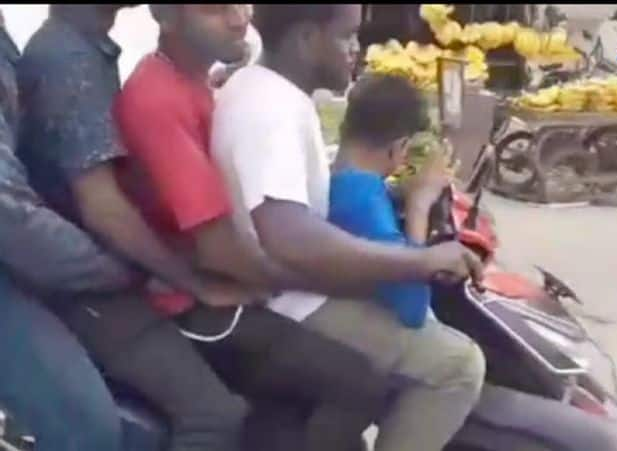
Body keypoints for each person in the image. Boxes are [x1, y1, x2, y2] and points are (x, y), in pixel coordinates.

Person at [16, 5, 345, 451]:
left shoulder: (88, 51)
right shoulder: (69, 59)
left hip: (110, 273)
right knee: (215, 416)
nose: (238, 17)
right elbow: (102, 208)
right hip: (91, 288)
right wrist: (191, 281)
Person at [112, 5, 423, 451]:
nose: (240, 18)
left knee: (290, 412)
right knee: (358, 383)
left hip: (228, 279)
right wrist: (333, 279)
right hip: (195, 302)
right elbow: (218, 246)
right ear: (166, 16)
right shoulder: (156, 98)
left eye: (240, 3)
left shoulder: (205, 79)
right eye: (215, 9)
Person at [211, 5, 486, 451]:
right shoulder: (270, 107)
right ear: (305, 38)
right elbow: (289, 236)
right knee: (457, 365)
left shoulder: (267, 92)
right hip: (293, 303)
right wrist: (421, 260)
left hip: (293, 288)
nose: (356, 49)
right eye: (346, 36)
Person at [0, 8, 126, 451]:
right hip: (21, 255)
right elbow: (10, 218)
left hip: (33, 251)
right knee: (86, 430)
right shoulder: (64, 56)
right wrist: (120, 268)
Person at [328, 74, 445, 329]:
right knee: (467, 361)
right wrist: (419, 205)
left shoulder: (343, 178)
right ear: (400, 146)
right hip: (362, 329)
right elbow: (413, 312)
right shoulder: (363, 201)